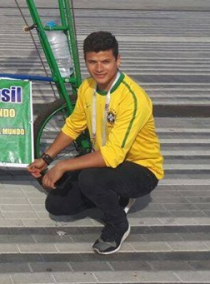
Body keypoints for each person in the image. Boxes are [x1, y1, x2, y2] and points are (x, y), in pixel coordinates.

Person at [27, 31, 163, 255]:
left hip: (142, 170)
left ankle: (118, 224)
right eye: (92, 62)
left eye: (106, 62)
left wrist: (62, 165)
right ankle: (113, 194)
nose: (99, 69)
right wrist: (46, 159)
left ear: (118, 61)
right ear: (86, 61)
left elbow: (113, 155)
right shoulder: (87, 88)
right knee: (56, 205)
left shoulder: (133, 98)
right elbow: (72, 127)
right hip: (106, 163)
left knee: (89, 178)